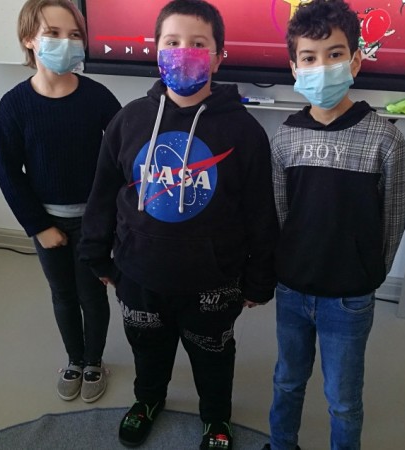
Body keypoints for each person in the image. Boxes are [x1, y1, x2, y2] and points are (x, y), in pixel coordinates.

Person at [78, 0, 278, 448]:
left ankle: (216, 418)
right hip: (139, 272)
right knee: (147, 347)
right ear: (156, 51)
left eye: (198, 44)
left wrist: (260, 278)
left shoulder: (244, 132)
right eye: (172, 42)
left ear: (219, 56)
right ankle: (148, 400)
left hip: (214, 280)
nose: (184, 52)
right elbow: (104, 193)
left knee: (213, 355)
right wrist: (96, 254)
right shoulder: (129, 120)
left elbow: (260, 212)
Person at [264, 1, 405, 449]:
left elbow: (393, 216)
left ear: (355, 61)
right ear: (294, 67)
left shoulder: (384, 137)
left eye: (334, 54)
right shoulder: (285, 136)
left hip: (348, 297)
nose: (321, 66)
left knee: (343, 399)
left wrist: (368, 274)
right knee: (287, 380)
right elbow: (280, 212)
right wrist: (287, 266)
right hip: (292, 291)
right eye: (309, 57)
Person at [0, 0, 121, 404]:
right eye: (52, 33)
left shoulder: (98, 97)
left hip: (93, 223)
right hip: (48, 223)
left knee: (92, 294)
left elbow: (123, 156)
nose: (66, 42)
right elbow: (8, 171)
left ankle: (94, 361)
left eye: (74, 35)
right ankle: (74, 358)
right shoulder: (14, 105)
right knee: (63, 294)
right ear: (29, 40)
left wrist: (110, 219)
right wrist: (39, 226)